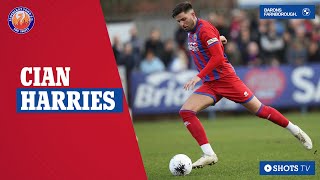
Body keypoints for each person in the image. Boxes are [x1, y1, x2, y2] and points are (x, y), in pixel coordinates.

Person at [171, 2, 312, 169]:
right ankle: (209, 154)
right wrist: (220, 40)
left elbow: (217, 58)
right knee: (186, 112)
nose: (182, 24)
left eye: (184, 19)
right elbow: (215, 41)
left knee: (260, 110)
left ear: (193, 14)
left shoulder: (204, 29)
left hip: (226, 80)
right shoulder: (192, 31)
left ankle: (295, 130)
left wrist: (198, 76)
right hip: (210, 84)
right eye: (179, 21)